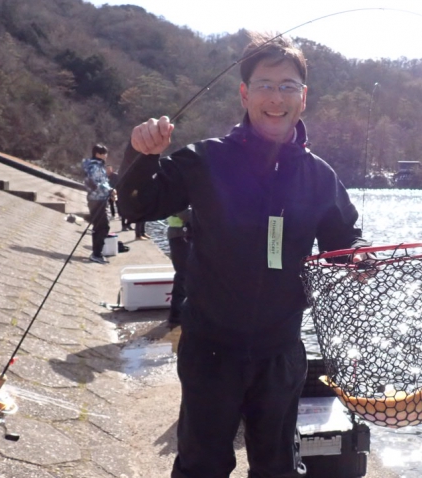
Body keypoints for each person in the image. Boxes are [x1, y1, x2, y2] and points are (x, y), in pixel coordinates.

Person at [118, 32, 370, 478]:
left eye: (288, 86)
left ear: (303, 97)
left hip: (281, 352)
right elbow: (137, 205)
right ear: (244, 94)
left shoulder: (319, 176)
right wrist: (141, 155)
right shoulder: (206, 159)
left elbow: (342, 243)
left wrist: (359, 256)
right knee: (201, 465)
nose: (276, 98)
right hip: (210, 349)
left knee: (278, 468)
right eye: (265, 85)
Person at [82, 143, 112, 264]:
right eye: (104, 153)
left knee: (99, 226)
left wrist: (109, 190)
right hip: (97, 200)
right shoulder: (95, 166)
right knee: (103, 226)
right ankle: (96, 254)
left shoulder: (97, 165)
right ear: (97, 154)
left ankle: (96, 252)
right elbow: (97, 183)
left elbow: (103, 181)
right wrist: (109, 190)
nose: (106, 155)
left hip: (98, 199)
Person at [166, 208, 191, 325]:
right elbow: (186, 215)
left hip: (182, 235)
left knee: (187, 274)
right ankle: (176, 314)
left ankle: (182, 311)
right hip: (180, 235)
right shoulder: (180, 200)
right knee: (183, 274)